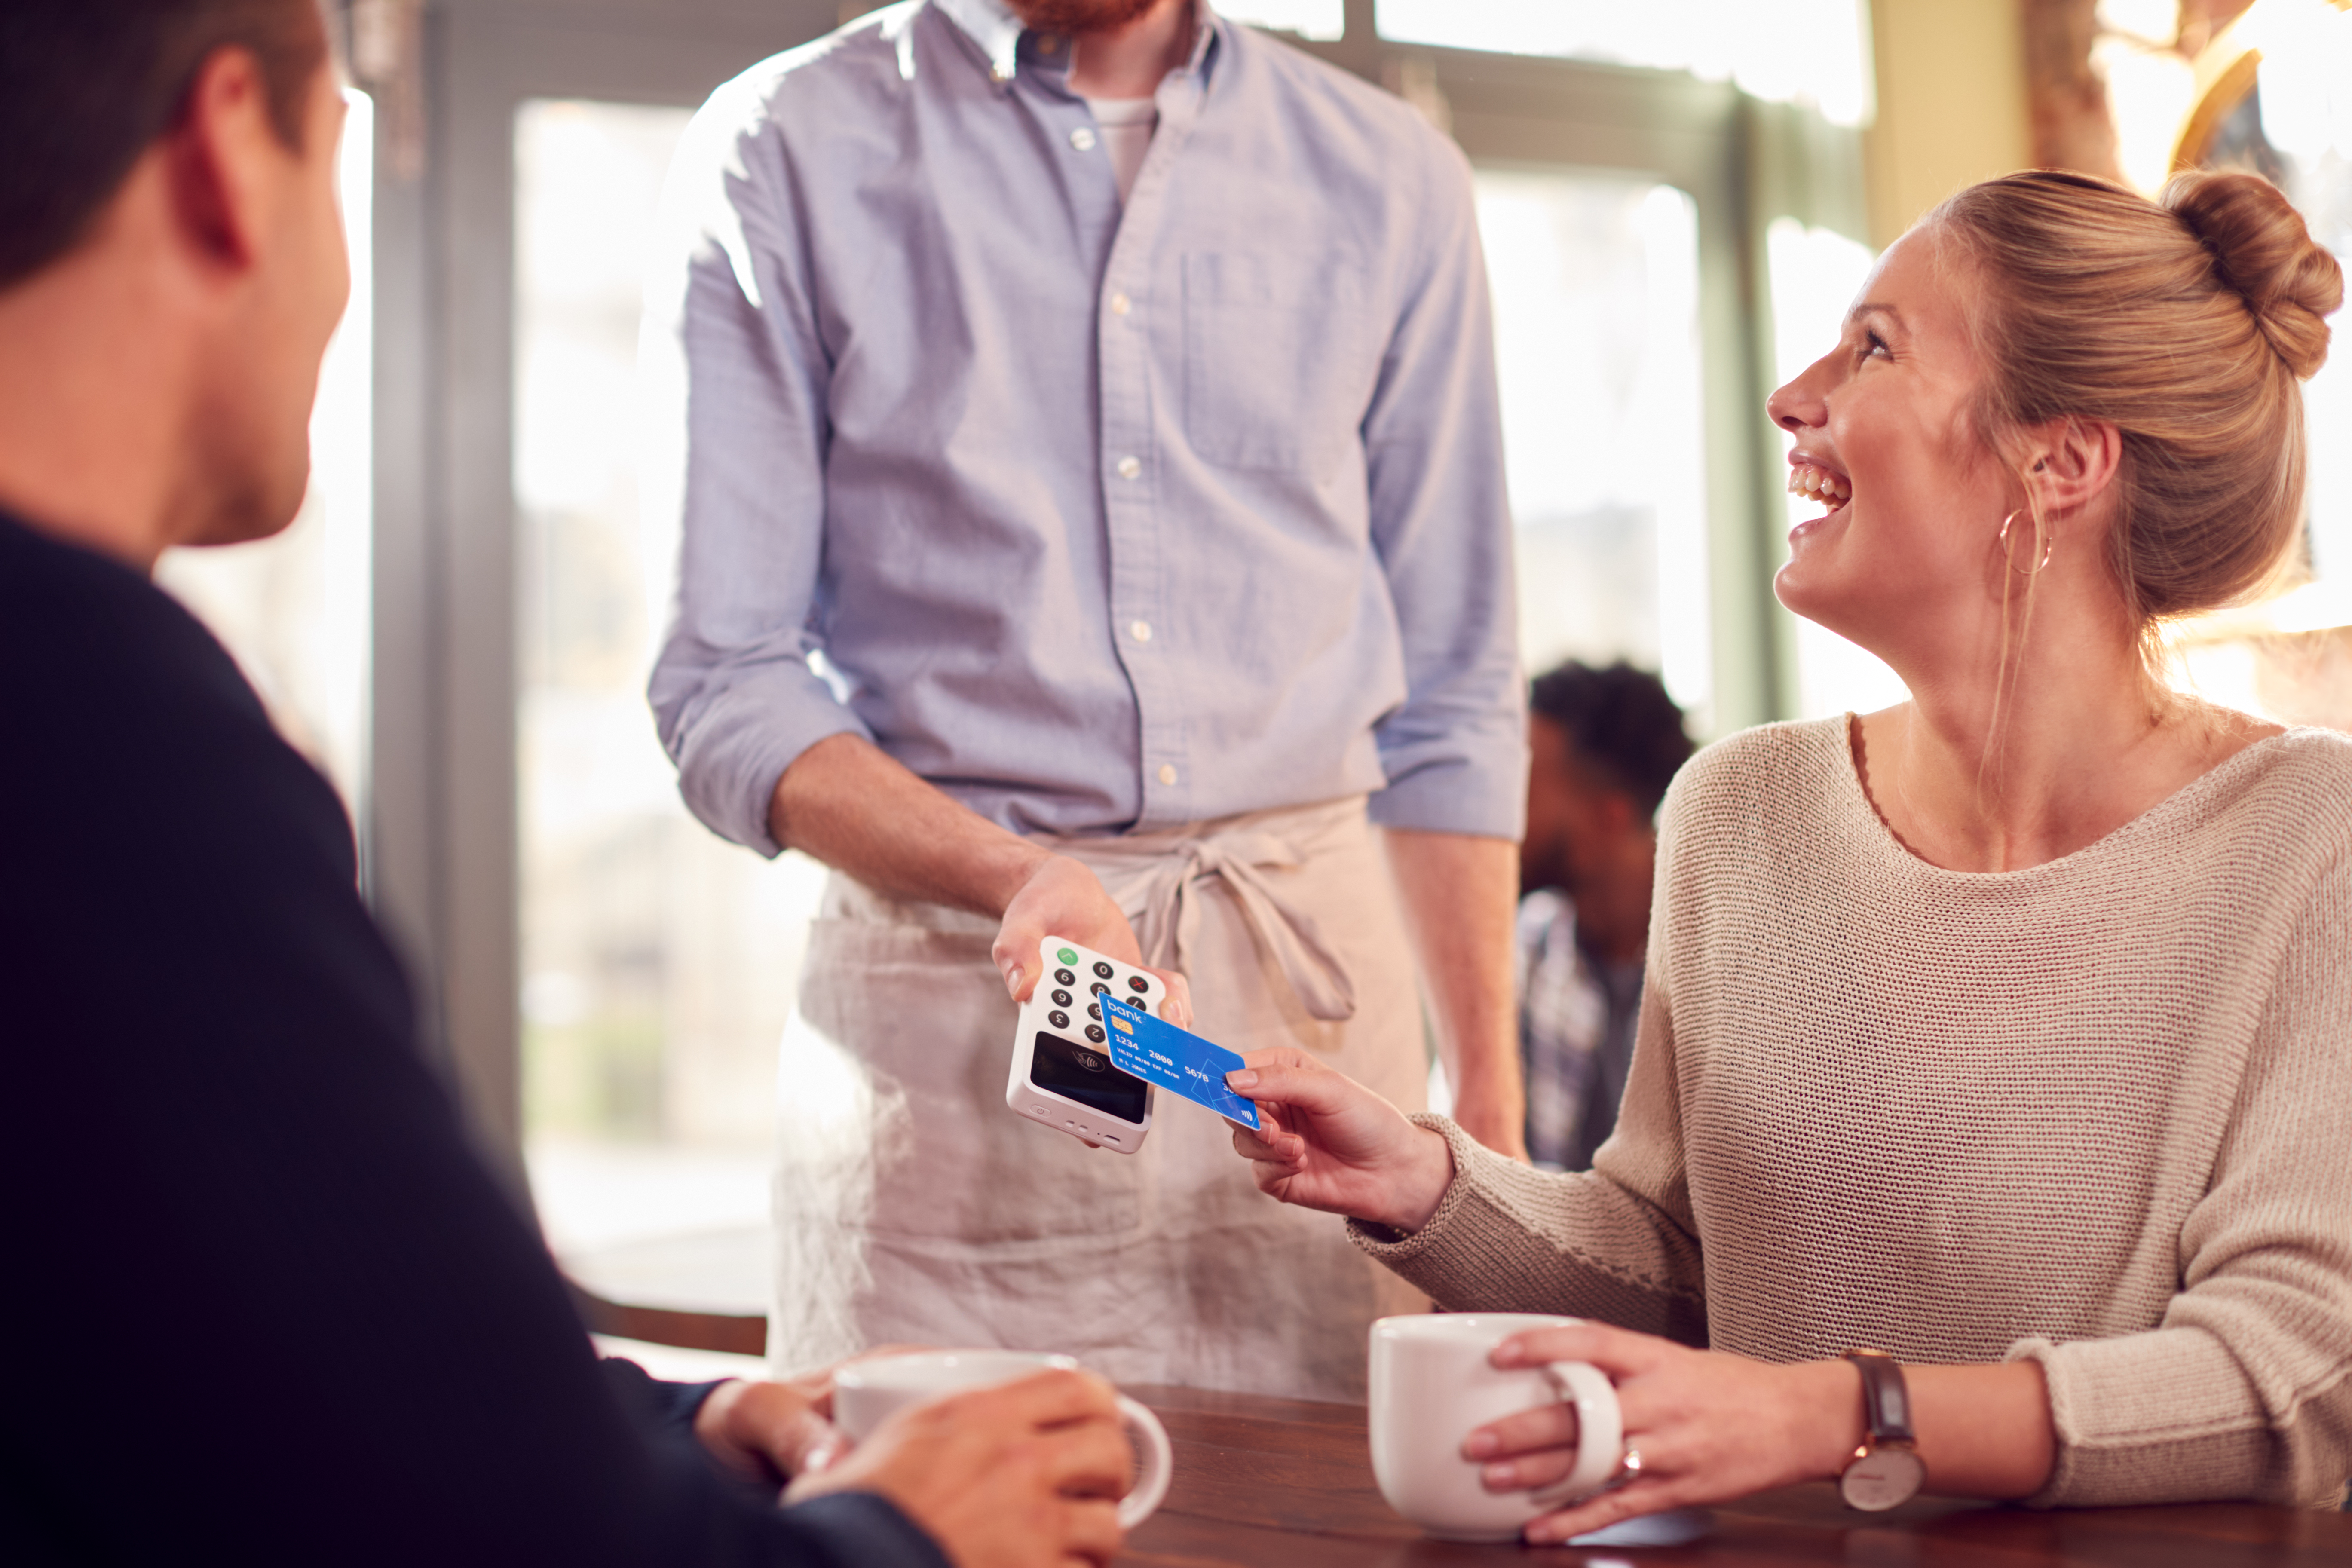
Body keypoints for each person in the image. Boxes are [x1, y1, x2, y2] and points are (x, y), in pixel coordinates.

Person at [0, 3, 1133, 1562]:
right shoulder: (116, 748)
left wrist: (677, 1418)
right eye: (337, 151)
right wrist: (901, 1533)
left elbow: (278, 1358)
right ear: (221, 152)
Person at [1223, 167, 2352, 1537]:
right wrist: (1432, 1181)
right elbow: (1680, 1265)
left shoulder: (2311, 843)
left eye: (1875, 346)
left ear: (2061, 461)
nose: (1793, 395)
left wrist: (1846, 1411)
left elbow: (2292, 1374)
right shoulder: (1738, 813)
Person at [643, 0, 1524, 1399]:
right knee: (924, 1523)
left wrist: (1487, 1095)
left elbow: (1457, 690)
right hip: (950, 1012)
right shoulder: (784, 147)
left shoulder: (1393, 173)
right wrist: (1015, 873)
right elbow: (720, 683)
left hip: (1310, 1009)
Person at [1515, 661, 1693, 1170]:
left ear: (1607, 817)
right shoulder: (1529, 946)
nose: (1496, 814)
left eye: (1522, 785)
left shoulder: (1730, 963)